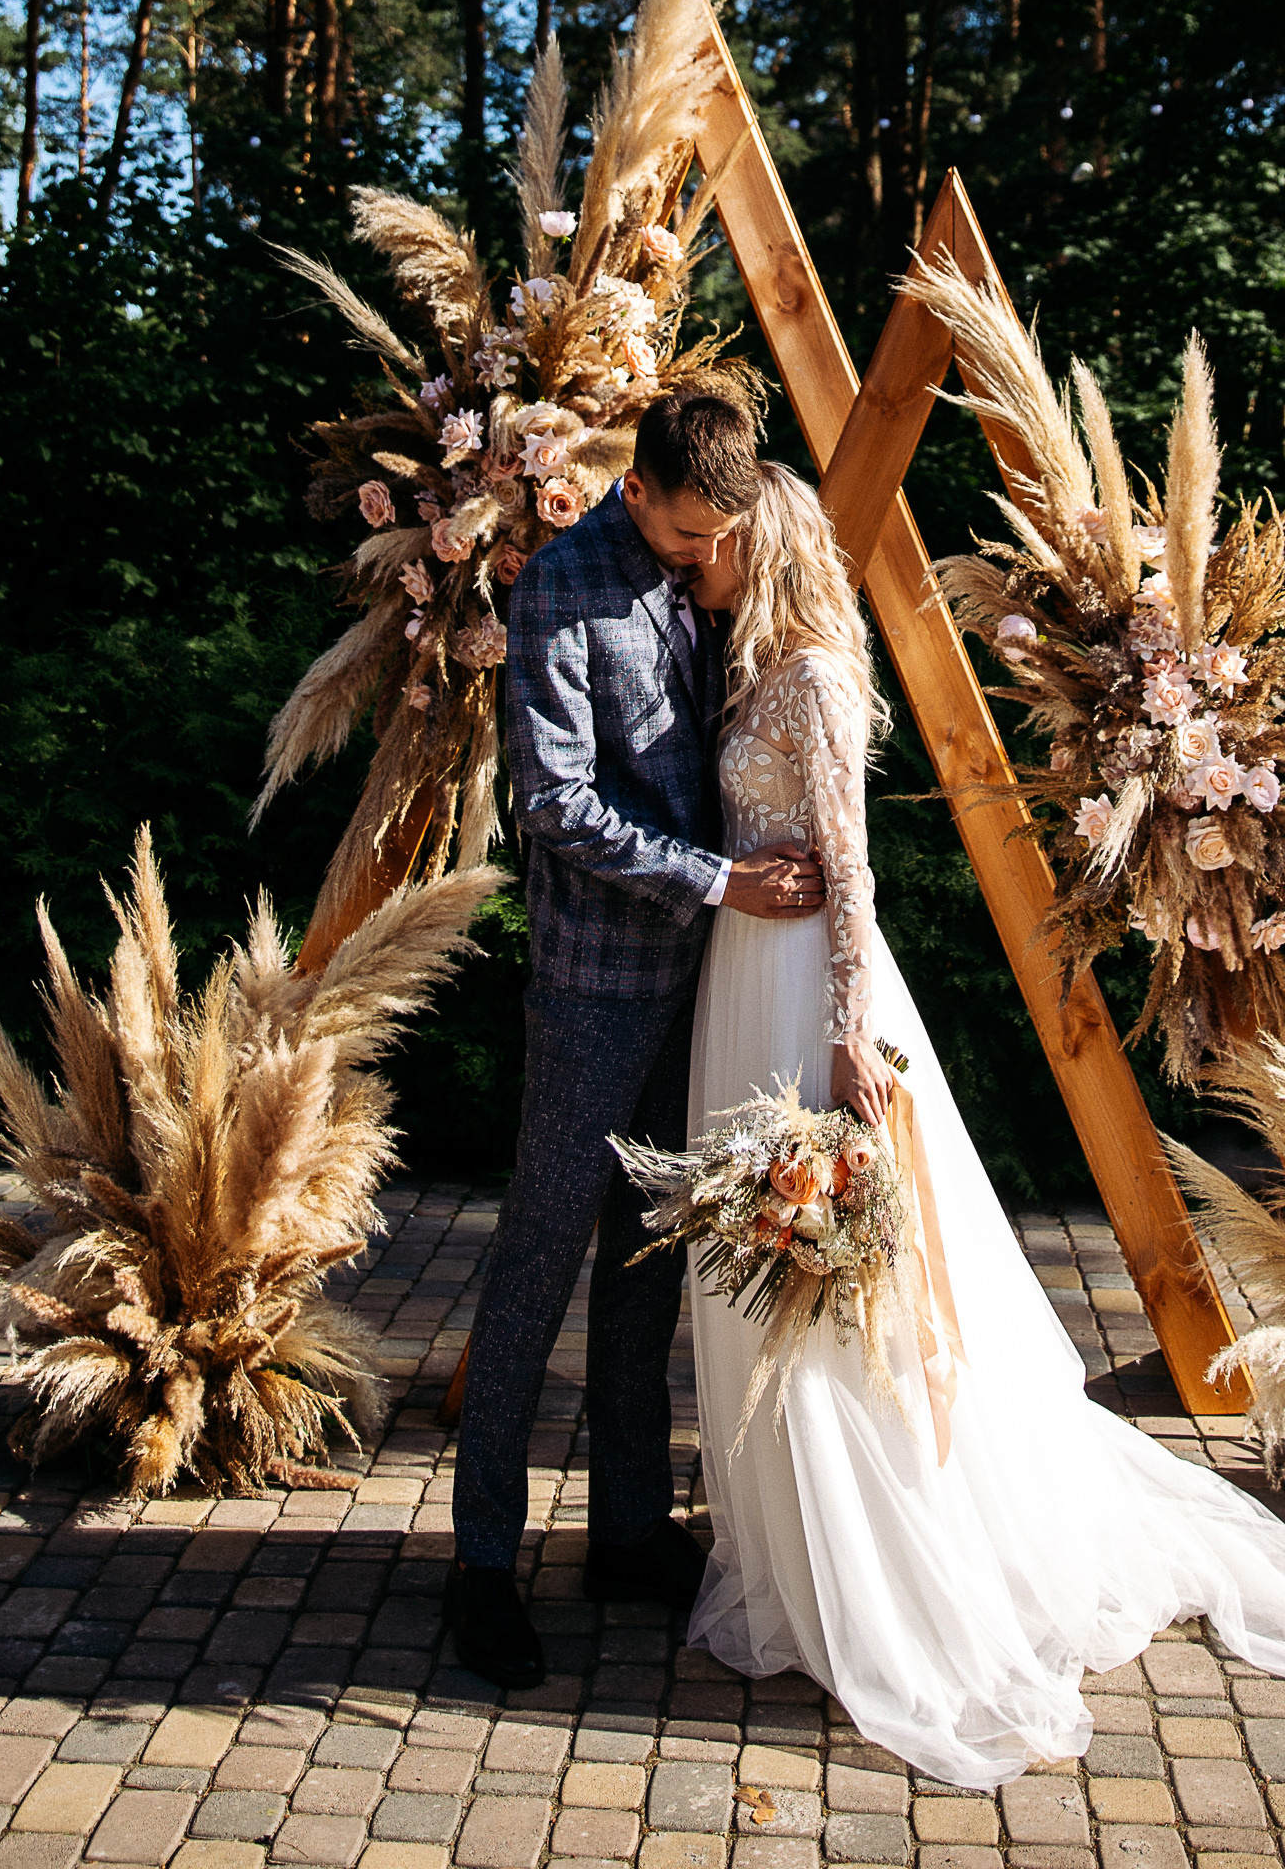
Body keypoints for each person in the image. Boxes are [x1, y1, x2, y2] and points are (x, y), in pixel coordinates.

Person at [681, 463, 1285, 1787]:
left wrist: (845, 1033)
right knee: (770, 1277)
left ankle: (891, 1571)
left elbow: (851, 866)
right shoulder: (749, 671)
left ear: (765, 551)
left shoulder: (816, 678)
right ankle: (803, 1561)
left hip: (811, 994)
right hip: (738, 982)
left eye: (716, 545)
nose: (695, 560)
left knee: (841, 1286)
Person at [444, 389, 826, 1690]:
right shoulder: (560, 588)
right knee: (537, 1265)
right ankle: (480, 1566)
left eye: (716, 536)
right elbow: (553, 803)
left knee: (648, 1263)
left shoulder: (708, 554)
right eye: (684, 534)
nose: (703, 554)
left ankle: (625, 1531)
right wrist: (721, 882)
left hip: (704, 984)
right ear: (639, 489)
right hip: (595, 985)